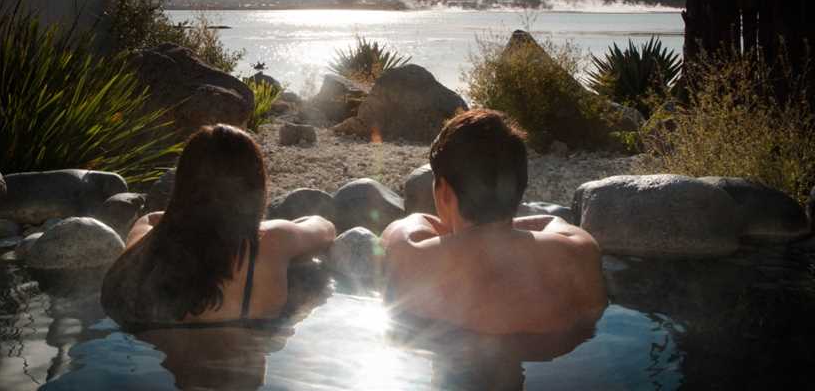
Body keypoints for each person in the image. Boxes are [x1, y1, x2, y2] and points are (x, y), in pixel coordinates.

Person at [381, 109, 606, 335]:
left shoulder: (410, 253)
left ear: (445, 192)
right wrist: (500, 229)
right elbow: (551, 221)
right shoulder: (581, 252)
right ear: (519, 187)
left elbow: (413, 222)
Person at [101, 124, 335, 327]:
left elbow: (152, 218)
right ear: (255, 186)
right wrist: (259, 226)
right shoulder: (274, 240)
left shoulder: (147, 240)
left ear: (182, 183)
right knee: (313, 278)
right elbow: (325, 228)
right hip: (242, 358)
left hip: (148, 366)